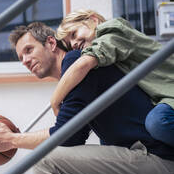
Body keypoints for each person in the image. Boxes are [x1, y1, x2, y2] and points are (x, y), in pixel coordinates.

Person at [0, 22, 174, 174]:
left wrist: (12, 140)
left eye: (29, 50)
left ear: (51, 43)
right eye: (20, 58)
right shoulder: (71, 80)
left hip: (155, 156)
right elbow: (75, 137)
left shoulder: (76, 61)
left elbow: (68, 135)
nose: (24, 60)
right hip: (143, 156)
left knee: (45, 161)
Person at [50, 9, 174, 147]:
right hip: (161, 97)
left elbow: (83, 64)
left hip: (171, 91)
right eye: (69, 44)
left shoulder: (114, 30)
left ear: (94, 20)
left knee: (158, 122)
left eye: (74, 34)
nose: (73, 44)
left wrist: (55, 101)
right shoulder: (110, 57)